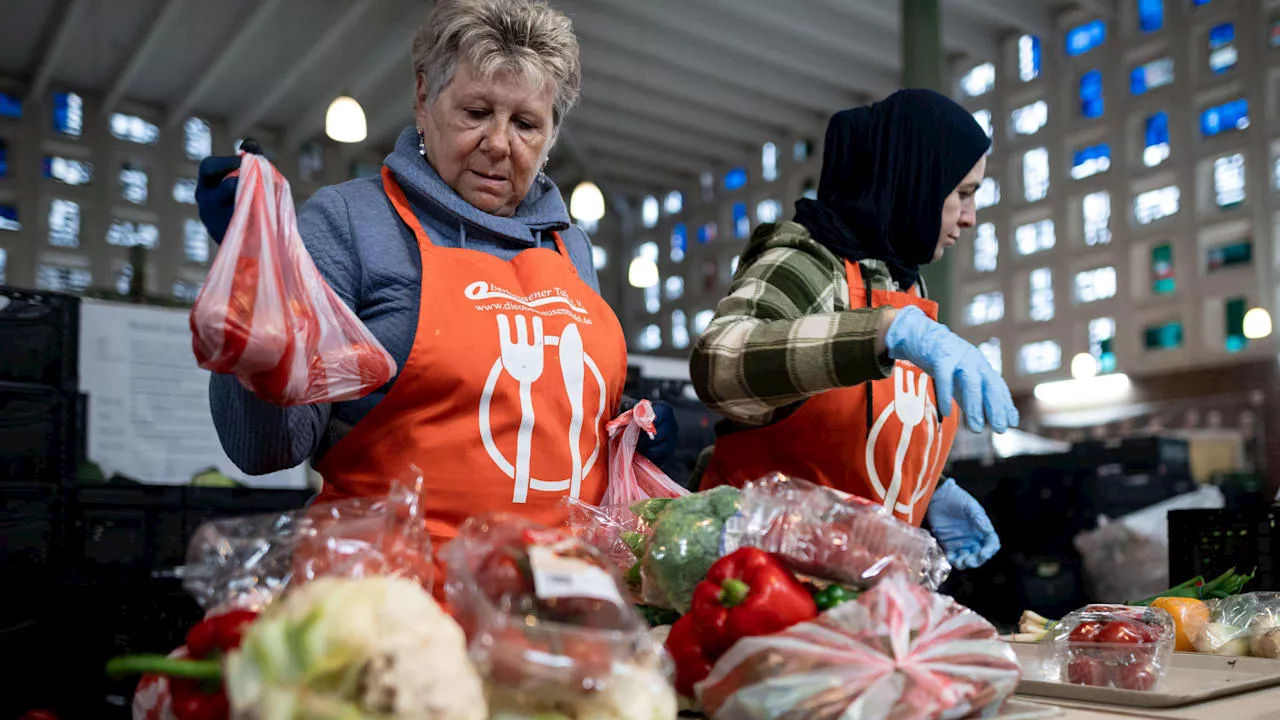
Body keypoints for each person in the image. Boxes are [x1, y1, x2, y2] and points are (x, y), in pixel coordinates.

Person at [194, 0, 675, 542]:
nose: (498, 143)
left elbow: (550, 418)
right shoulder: (351, 221)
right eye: (476, 112)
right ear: (424, 100)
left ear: (552, 134)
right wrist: (257, 279)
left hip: (552, 599)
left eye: (525, 124)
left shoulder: (572, 249)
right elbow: (266, 449)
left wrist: (629, 428)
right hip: (392, 595)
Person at [689, 90, 1016, 570]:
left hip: (845, 579)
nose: (969, 218)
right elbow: (719, 364)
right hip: (753, 575)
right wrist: (883, 329)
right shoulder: (806, 260)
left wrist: (932, 488)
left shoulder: (902, 280)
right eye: (962, 193)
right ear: (915, 181)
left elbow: (856, 432)